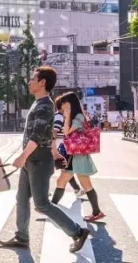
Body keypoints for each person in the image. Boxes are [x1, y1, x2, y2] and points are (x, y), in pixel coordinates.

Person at [0, 67, 90, 253]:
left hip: (38, 161)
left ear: (42, 82)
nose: (29, 81)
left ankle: (77, 232)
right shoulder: (38, 103)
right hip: (32, 159)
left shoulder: (44, 106)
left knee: (41, 203)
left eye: (33, 78)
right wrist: (55, 153)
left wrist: (23, 156)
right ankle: (22, 236)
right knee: (21, 198)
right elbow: (50, 133)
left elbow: (37, 135)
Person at [50, 92, 105, 222]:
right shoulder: (74, 116)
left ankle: (97, 212)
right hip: (72, 155)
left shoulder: (78, 116)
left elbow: (66, 132)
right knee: (61, 181)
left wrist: (67, 115)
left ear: (69, 104)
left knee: (86, 185)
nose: (62, 106)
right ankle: (50, 208)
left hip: (79, 156)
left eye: (63, 103)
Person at [52, 96, 83, 197]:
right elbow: (54, 131)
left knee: (65, 170)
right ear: (61, 105)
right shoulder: (59, 116)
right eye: (66, 104)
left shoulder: (59, 116)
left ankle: (77, 189)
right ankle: (76, 189)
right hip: (59, 147)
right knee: (64, 169)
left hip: (59, 146)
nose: (69, 106)